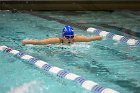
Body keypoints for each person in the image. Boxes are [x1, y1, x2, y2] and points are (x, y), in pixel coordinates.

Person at [21, 25, 102, 45]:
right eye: (67, 37)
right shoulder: (56, 40)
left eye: (71, 37)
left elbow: (89, 39)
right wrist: (27, 42)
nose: (70, 39)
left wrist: (101, 37)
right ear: (63, 36)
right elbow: (40, 42)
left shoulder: (76, 39)